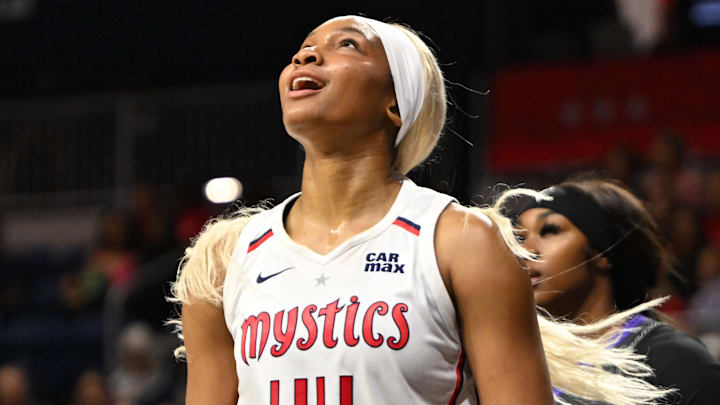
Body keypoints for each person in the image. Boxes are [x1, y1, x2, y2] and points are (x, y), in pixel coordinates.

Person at [169, 16, 666, 405]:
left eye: (346, 45)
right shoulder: (223, 258)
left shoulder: (459, 241)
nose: (306, 55)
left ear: (396, 103)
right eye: (303, 48)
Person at [515, 178, 720, 404]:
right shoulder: (515, 363)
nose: (526, 251)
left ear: (601, 254)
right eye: (520, 238)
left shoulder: (675, 360)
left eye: (549, 230)